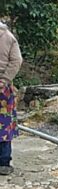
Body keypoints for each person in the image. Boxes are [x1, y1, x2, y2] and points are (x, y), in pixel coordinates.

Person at [0, 21, 23, 175]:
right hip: (3, 88)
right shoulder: (8, 37)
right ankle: (3, 162)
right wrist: (4, 81)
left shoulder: (7, 37)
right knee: (4, 124)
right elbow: (16, 61)